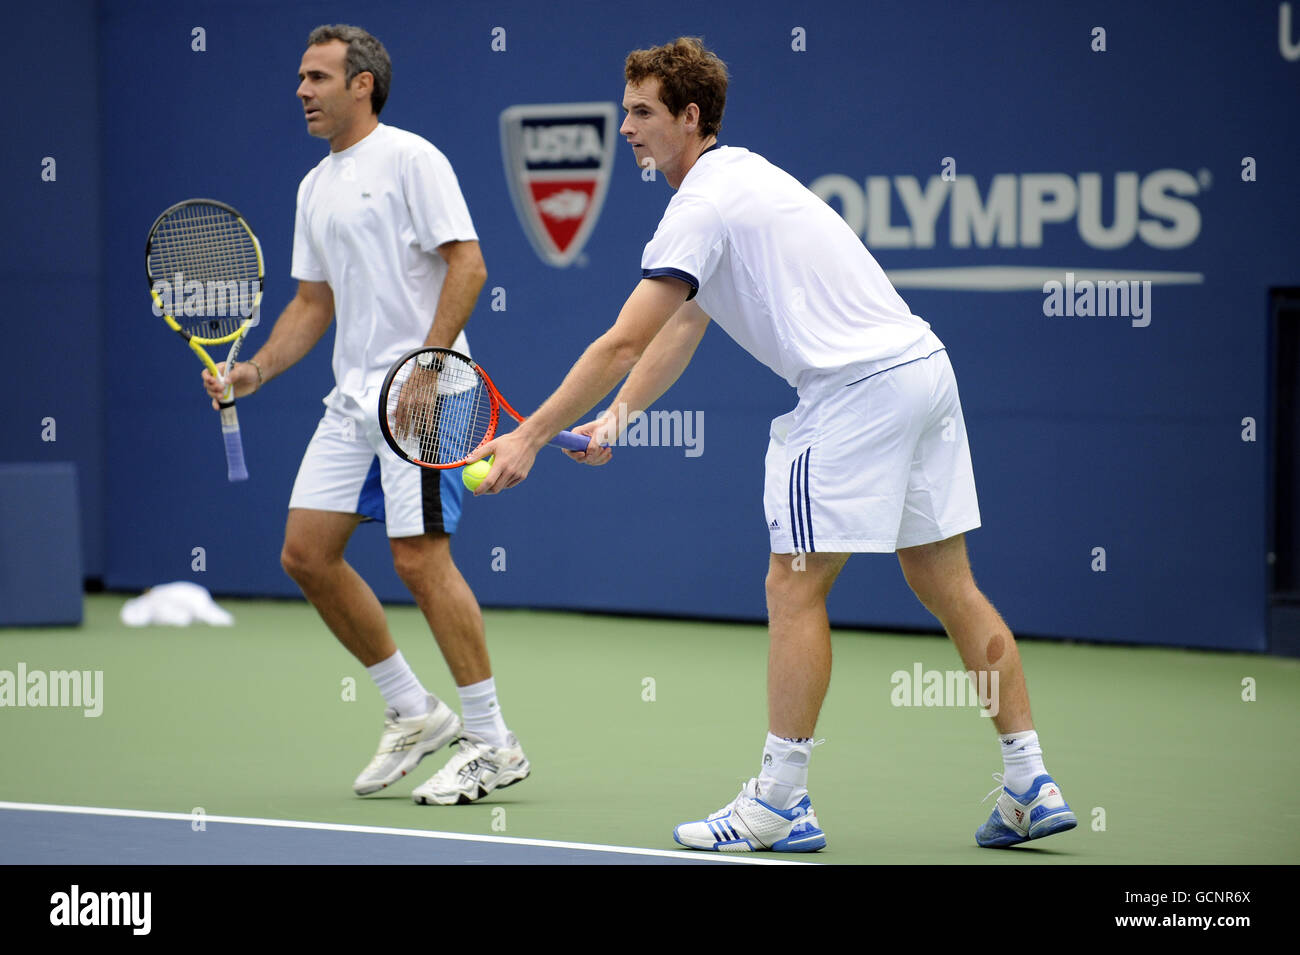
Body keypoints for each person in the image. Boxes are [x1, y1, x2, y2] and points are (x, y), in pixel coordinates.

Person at [474, 36, 1074, 851]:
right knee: (946, 581)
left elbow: (622, 339)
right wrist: (619, 417)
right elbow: (686, 321)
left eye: (642, 112)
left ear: (691, 117)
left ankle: (781, 801)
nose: (626, 129)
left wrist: (530, 436)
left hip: (854, 392)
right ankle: (1029, 778)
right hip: (923, 373)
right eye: (624, 112)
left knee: (792, 588)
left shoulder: (703, 203)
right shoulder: (743, 180)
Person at [203, 24, 528, 806]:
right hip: (353, 402)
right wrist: (252, 371)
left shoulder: (413, 159)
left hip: (425, 394)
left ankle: (492, 739)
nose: (301, 91)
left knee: (420, 560)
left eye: (317, 77)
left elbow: (469, 262)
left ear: (362, 85)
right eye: (301, 77)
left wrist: (427, 361)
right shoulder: (314, 187)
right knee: (306, 553)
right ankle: (414, 709)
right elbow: (314, 303)